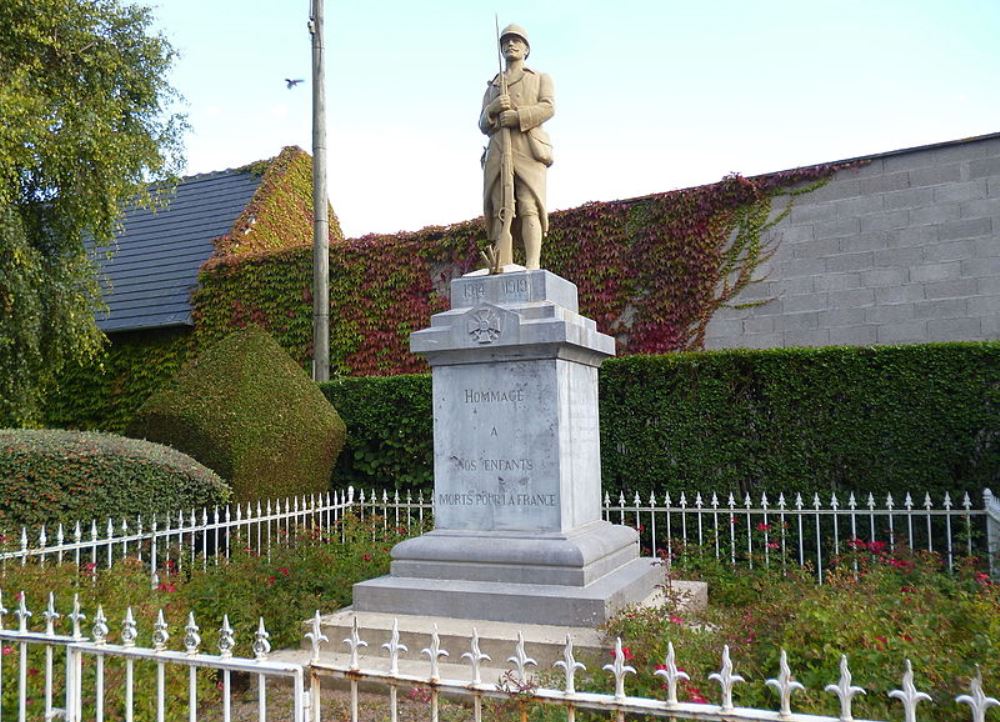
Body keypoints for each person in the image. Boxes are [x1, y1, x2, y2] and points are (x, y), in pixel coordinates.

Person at [479, 24, 554, 270]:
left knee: (529, 204)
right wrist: (493, 109)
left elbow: (548, 107)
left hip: (527, 149)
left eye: (516, 41)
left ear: (526, 49)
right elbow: (481, 123)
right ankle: (504, 261)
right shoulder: (492, 86)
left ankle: (533, 264)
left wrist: (517, 116)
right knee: (502, 208)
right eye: (506, 42)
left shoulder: (540, 78)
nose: (511, 45)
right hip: (499, 151)